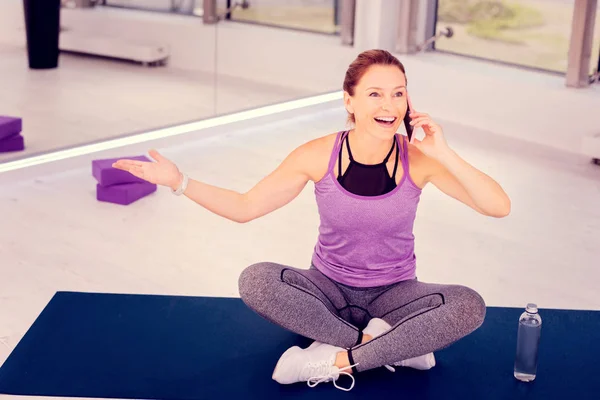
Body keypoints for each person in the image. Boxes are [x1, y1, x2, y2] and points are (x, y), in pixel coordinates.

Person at [112, 49, 511, 391]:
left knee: (468, 306)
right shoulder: (317, 155)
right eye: (374, 94)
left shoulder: (419, 159)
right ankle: (393, 347)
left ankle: (335, 360)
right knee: (256, 280)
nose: (389, 106)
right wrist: (179, 181)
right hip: (327, 293)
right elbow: (245, 206)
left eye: (398, 94)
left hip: (395, 295)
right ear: (349, 101)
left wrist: (444, 152)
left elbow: (498, 206)